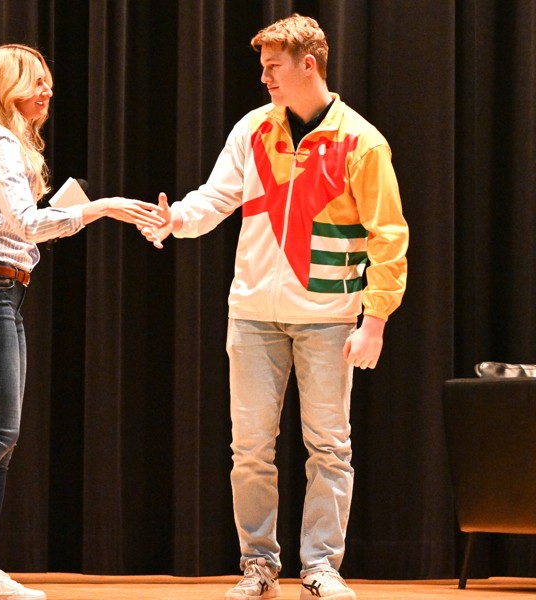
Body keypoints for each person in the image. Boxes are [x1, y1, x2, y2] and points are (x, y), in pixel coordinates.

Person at [141, 14, 408, 600]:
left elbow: (389, 235)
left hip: (329, 316)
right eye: (262, 67)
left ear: (307, 64)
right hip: (254, 313)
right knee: (250, 448)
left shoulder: (361, 142)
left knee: (330, 446)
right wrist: (176, 218)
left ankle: (320, 565)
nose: (264, 78)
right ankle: (259, 565)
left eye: (272, 67)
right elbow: (216, 197)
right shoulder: (254, 130)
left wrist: (376, 320)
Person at [0, 44, 164, 600]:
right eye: (35, 82)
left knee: (4, 437)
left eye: (48, 81)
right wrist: (102, 206)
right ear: (5, 87)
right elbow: (26, 226)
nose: (48, 91)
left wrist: (69, 210)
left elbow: (21, 224)